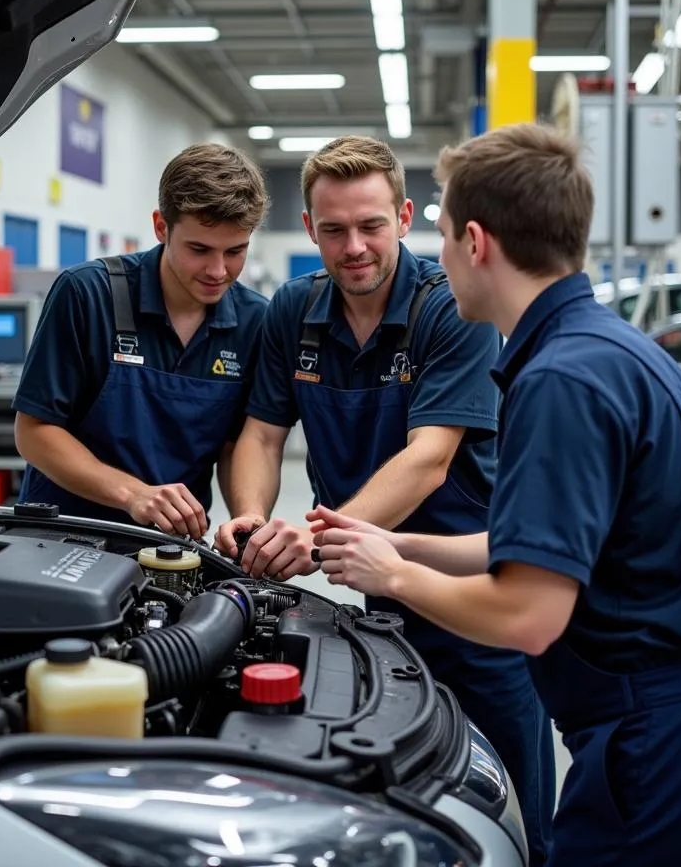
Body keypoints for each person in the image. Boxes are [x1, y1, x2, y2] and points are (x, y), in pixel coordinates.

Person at [311, 123, 681, 866]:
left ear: (475, 242)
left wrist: (396, 578)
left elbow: (529, 614)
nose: (437, 260)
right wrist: (398, 543)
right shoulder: (602, 346)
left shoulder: (561, 381)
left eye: (440, 237)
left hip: (672, 739)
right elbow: (541, 547)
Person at [213, 135, 556, 866]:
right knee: (402, 792)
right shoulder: (293, 312)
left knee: (512, 807)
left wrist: (316, 535)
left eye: (371, 225)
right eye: (333, 230)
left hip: (477, 596)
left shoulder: (449, 310)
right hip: (377, 595)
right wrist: (248, 516)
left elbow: (429, 460)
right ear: (309, 230)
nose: (354, 247)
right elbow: (262, 437)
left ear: (404, 216)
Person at [12, 142, 270, 537]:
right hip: (63, 537)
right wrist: (132, 494)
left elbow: (235, 445)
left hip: (170, 550)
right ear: (161, 226)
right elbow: (33, 432)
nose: (218, 270)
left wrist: (248, 514)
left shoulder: (254, 320)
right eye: (199, 249)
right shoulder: (87, 294)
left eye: (236, 251)